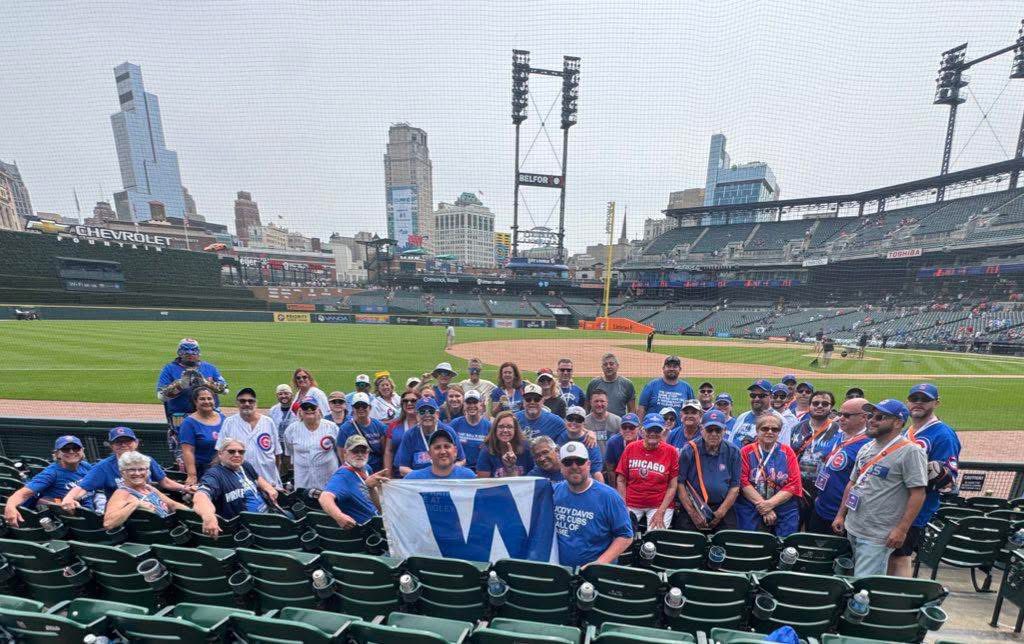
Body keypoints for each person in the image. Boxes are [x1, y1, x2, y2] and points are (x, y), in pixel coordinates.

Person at [832, 399, 927, 577]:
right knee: (849, 577)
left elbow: (918, 493)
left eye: (880, 417)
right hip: (853, 526)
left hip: (878, 535)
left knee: (863, 585)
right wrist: (840, 514)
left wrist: (901, 529)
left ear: (898, 422)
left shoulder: (911, 451)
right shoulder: (867, 447)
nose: (872, 420)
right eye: (870, 415)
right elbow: (852, 483)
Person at [890, 383, 961, 577]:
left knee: (901, 556)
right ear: (908, 402)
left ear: (936, 403)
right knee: (890, 555)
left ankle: (899, 603)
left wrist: (935, 474)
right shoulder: (908, 431)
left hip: (915, 510)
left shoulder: (943, 434)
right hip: (895, 505)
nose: (918, 403)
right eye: (915, 399)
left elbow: (947, 482)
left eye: (925, 399)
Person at [62, 427, 191, 513]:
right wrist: (69, 498)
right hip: (121, 509)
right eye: (118, 442)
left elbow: (165, 482)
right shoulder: (104, 467)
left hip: (150, 503)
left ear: (136, 443)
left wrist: (185, 488)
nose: (123, 445)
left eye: (127, 441)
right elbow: (82, 487)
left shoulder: (147, 460)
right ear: (112, 446)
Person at [553, 442, 634, 568]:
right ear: (561, 467)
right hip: (560, 571)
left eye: (579, 461)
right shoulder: (553, 492)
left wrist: (599, 563)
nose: (574, 466)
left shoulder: (609, 496)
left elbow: (625, 536)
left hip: (595, 573)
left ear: (589, 465)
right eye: (568, 462)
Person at [156, 338, 228, 469]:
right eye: (185, 349)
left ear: (199, 352)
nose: (190, 353)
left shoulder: (209, 368)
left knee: (216, 451)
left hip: (210, 417)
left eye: (194, 350)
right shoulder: (169, 369)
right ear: (179, 352)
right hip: (181, 417)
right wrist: (179, 385)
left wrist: (206, 383)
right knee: (183, 454)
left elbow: (225, 389)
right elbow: (161, 395)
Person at [194, 436, 281, 537]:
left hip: (269, 512)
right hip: (249, 529)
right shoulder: (215, 474)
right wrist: (208, 517)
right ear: (220, 453)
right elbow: (200, 496)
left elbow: (257, 478)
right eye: (231, 451)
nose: (237, 455)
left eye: (241, 452)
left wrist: (268, 487)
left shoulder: (244, 465)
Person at [807, 398, 870, 535]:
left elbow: (858, 484)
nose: (841, 418)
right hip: (821, 506)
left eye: (847, 415)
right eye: (840, 414)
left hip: (840, 514)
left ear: (863, 417)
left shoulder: (868, 445)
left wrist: (841, 514)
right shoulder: (840, 435)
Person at [737, 414, 802, 537]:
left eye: (775, 429)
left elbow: (794, 484)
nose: (770, 432)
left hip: (783, 506)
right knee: (749, 542)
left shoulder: (788, 452)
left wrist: (770, 504)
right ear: (757, 430)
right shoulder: (746, 451)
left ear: (779, 432)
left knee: (785, 543)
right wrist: (764, 507)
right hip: (752, 505)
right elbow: (743, 481)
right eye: (765, 429)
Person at [4, 436, 93, 526]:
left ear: (82, 451)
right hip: (72, 517)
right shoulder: (51, 473)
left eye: (76, 448)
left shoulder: (85, 466)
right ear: (57, 454)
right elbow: (23, 493)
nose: (71, 451)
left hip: (91, 509)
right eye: (65, 449)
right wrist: (10, 506)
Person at [676, 410, 741, 532]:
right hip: (693, 506)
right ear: (701, 430)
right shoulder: (689, 450)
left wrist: (721, 512)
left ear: (725, 431)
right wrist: (693, 513)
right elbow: (680, 484)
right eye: (709, 430)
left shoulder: (733, 451)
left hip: (722, 507)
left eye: (718, 430)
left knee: (729, 541)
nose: (714, 434)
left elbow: (735, 487)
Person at [615, 413, 679, 530]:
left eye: (657, 430)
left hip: (659, 504)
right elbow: (621, 480)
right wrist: (622, 506)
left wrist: (661, 511)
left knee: (655, 536)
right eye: (649, 429)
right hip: (631, 502)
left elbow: (672, 486)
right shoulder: (631, 448)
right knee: (621, 531)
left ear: (663, 431)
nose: (653, 433)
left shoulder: (671, 451)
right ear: (642, 431)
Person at [789, 390, 840, 527]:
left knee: (815, 529)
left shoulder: (839, 430)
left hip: (823, 491)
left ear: (831, 407)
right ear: (809, 406)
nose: (819, 406)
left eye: (825, 403)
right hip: (797, 489)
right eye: (815, 403)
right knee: (794, 527)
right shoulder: (797, 428)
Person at [102, 452, 188, 530]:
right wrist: (134, 504)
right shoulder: (122, 493)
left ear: (147, 471)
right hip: (154, 538)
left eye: (141, 469)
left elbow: (173, 505)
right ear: (122, 472)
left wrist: (194, 514)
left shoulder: (148, 488)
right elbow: (108, 523)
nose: (137, 473)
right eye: (131, 470)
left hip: (171, 528)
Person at [319, 435, 389, 528]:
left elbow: (377, 503)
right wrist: (339, 517)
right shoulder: (342, 476)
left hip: (379, 521)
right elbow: (324, 497)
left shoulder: (367, 468)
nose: (360, 454)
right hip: (367, 530)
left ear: (368, 453)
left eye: (363, 451)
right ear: (345, 452)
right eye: (355, 451)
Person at [220, 387, 283, 487]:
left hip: (269, 480)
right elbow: (220, 453)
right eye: (242, 401)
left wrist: (275, 476)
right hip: (240, 483)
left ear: (255, 403)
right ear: (237, 403)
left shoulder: (268, 422)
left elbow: (277, 454)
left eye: (250, 401)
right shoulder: (229, 422)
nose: (247, 404)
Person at [283, 396, 341, 490]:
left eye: (312, 407)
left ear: (318, 409)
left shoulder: (331, 427)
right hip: (303, 483)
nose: (309, 410)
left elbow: (341, 451)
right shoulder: (291, 430)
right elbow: (289, 454)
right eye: (305, 407)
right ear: (300, 411)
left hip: (328, 482)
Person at [395, 398, 464, 475]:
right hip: (419, 481)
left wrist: (448, 473)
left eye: (431, 411)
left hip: (446, 478)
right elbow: (403, 468)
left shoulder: (448, 431)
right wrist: (424, 476)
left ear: (437, 414)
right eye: (422, 412)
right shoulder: (409, 435)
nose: (427, 415)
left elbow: (461, 460)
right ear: (417, 415)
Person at [179, 387, 226, 486]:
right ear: (195, 402)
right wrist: (192, 475)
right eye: (202, 399)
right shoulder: (189, 423)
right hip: (203, 469)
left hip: (224, 467)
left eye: (209, 398)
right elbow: (188, 451)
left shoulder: (223, 418)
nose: (207, 401)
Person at [338, 392, 388, 473]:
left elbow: (385, 452)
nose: (361, 409)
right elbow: (342, 455)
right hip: (356, 471)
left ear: (370, 407)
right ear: (353, 408)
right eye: (357, 406)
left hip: (377, 470)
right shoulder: (345, 429)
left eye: (364, 406)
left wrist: (385, 471)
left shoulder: (379, 426)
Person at [728, 380, 785, 448]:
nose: (756, 399)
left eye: (761, 396)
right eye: (753, 395)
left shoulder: (780, 420)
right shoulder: (742, 417)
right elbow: (730, 442)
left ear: (771, 397)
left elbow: (782, 451)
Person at [476, 411, 534, 477]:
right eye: (501, 427)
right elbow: (483, 482)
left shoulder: (526, 447)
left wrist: (511, 467)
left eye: (509, 427)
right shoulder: (486, 450)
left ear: (515, 430)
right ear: (495, 429)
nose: (505, 430)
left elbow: (533, 477)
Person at [404, 428, 477, 480]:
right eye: (437, 447)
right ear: (429, 453)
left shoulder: (468, 477)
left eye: (447, 446)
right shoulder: (413, 479)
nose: (443, 451)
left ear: (455, 451)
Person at [555, 407, 604, 482]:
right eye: (570, 419)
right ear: (565, 420)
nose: (574, 422)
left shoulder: (590, 441)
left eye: (579, 420)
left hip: (581, 482)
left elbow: (596, 472)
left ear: (584, 423)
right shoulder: (558, 432)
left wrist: (601, 492)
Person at [449, 389, 490, 468]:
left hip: (481, 469)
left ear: (481, 404)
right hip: (460, 468)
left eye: (475, 402)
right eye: (468, 402)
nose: (472, 406)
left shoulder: (488, 426)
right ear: (464, 405)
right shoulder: (455, 424)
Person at [385, 390, 420, 476]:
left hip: (420, 474)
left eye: (413, 400)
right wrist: (388, 474)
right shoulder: (394, 425)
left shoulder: (426, 424)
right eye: (405, 401)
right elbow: (388, 451)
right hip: (399, 474)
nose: (409, 403)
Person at [269, 384, 297, 473]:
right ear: (277, 396)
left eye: (286, 393)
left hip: (293, 444)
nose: (283, 396)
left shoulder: (298, 408)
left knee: (292, 467)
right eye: (280, 394)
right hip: (278, 443)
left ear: (291, 395)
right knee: (280, 467)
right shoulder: (273, 410)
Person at [603, 413, 640, 483]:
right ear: (620, 429)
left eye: (632, 427)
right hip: (619, 477)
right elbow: (610, 469)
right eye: (624, 427)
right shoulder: (613, 442)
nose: (627, 430)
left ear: (639, 428)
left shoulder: (644, 440)